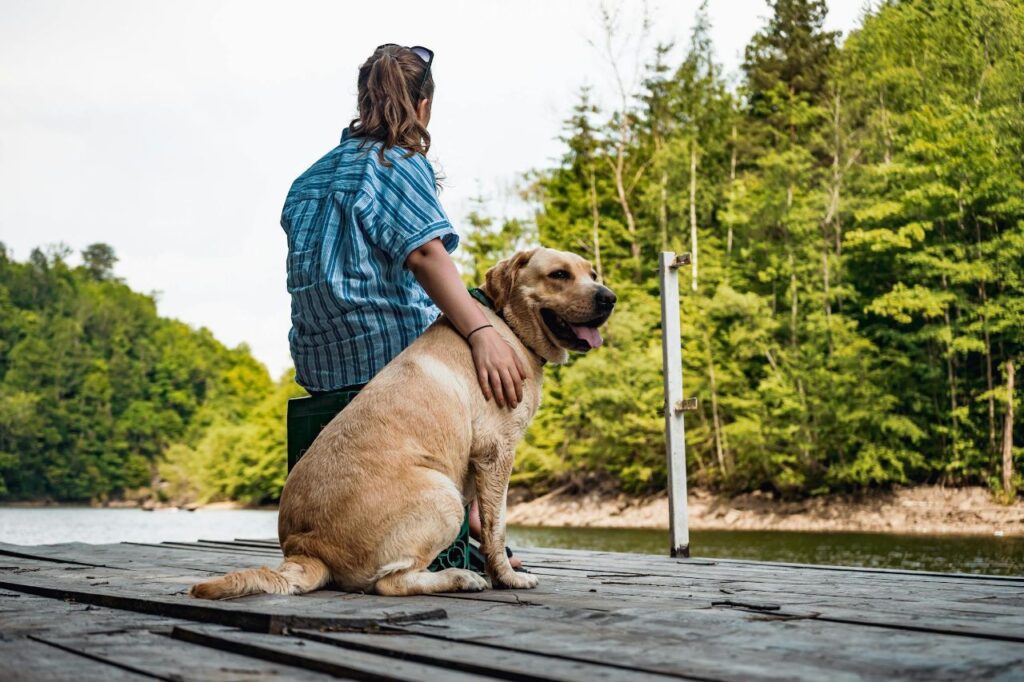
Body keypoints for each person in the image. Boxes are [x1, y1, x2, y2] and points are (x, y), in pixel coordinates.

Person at [281, 44, 523, 570]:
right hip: (391, 370)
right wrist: (482, 332)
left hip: (321, 374)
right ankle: (479, 522)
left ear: (363, 100)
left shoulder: (308, 180)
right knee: (502, 365)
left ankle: (469, 516)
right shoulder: (398, 163)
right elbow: (426, 254)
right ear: (425, 105)